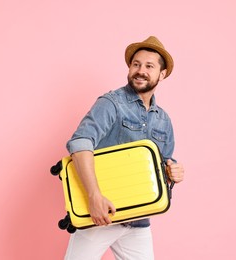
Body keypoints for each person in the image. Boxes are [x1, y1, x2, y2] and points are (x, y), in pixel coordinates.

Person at [64, 36, 185, 260]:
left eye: (149, 66)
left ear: (162, 74)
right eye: (136, 64)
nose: (140, 71)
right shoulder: (111, 104)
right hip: (101, 216)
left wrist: (173, 171)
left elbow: (164, 164)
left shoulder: (164, 120)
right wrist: (94, 197)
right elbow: (80, 143)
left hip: (138, 222)